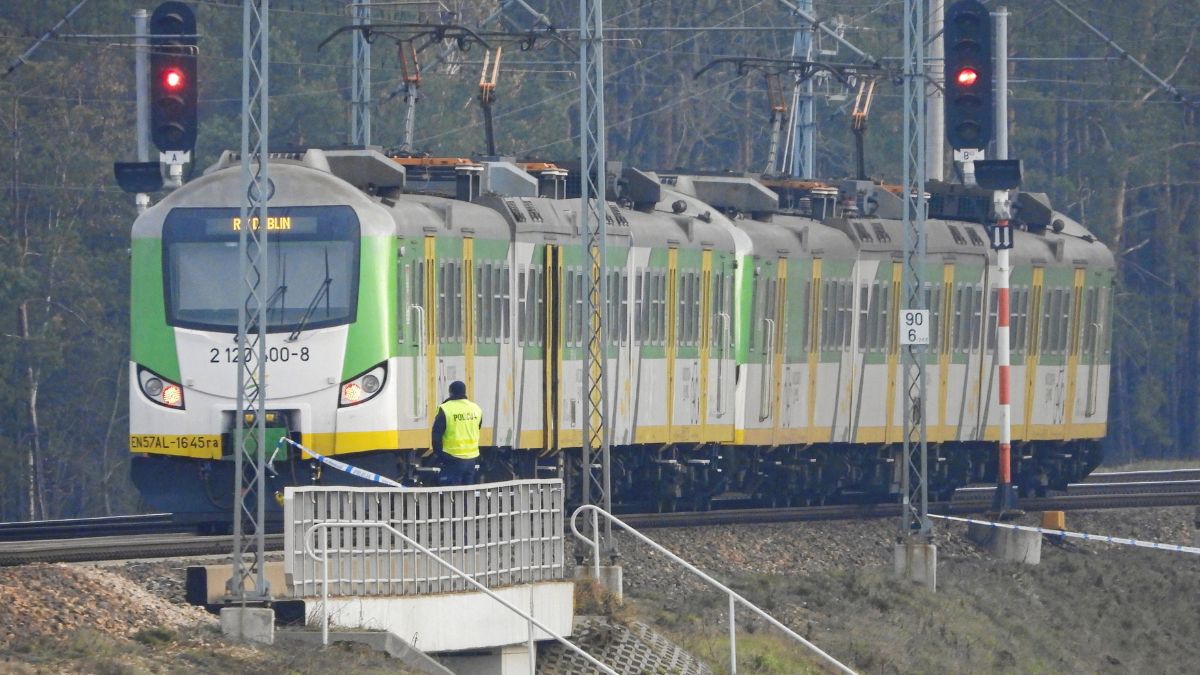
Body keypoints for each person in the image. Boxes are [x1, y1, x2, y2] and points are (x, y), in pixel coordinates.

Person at [431, 380, 483, 486]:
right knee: (468, 493)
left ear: (451, 393)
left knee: (451, 494)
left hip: (452, 458)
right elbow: (478, 427)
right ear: (465, 392)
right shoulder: (476, 408)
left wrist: (439, 455)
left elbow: (436, 435)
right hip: (471, 458)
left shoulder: (445, 409)